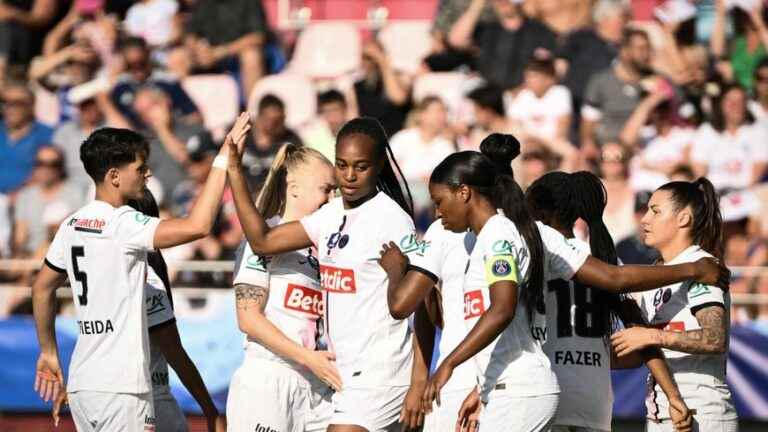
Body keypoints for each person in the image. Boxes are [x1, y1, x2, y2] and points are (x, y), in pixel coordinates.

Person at [378, 134, 727, 430]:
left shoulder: (512, 235)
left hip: (517, 387)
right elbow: (617, 283)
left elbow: (497, 311)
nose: (436, 211)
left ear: (467, 192)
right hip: (572, 396)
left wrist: (445, 365)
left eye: (440, 201)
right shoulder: (543, 239)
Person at [31, 114, 251, 431]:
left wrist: (49, 353)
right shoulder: (122, 223)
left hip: (83, 384)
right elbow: (199, 225)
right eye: (139, 168)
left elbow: (41, 288)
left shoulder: (72, 223)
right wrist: (222, 161)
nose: (147, 173)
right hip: (122, 390)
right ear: (114, 176)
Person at [226, 116, 418, 432]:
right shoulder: (324, 222)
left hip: (343, 378)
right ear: (294, 188)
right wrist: (234, 170)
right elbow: (248, 315)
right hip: (277, 377)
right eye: (329, 183)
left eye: (360, 167)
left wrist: (421, 377)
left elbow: (418, 292)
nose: (342, 185)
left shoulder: (386, 219)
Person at [525, 171, 692, 432]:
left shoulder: (536, 254)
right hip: (595, 404)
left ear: (541, 214)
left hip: (548, 398)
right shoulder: (604, 258)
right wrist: (673, 396)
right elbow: (641, 337)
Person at [611, 178, 738, 432]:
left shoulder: (703, 267)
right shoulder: (660, 273)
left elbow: (714, 339)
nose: (645, 219)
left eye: (655, 211)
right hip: (662, 413)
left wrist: (649, 335)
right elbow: (644, 353)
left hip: (702, 413)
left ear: (683, 219)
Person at [227, 143, 338, 432]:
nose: (333, 198)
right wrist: (308, 358)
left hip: (318, 385)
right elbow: (248, 318)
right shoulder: (263, 239)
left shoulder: (329, 246)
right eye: (326, 189)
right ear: (294, 187)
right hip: (269, 380)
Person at [448, 0, 557, 90]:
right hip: (488, 98)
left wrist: (522, 92)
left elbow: (549, 70)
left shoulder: (540, 32)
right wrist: (477, 5)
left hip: (523, 99)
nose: (502, 3)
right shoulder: (487, 29)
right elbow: (456, 40)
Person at [581, 29, 653, 158]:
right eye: (640, 49)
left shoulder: (658, 81)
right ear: (624, 51)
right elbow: (589, 118)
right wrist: (588, 143)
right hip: (607, 151)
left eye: (648, 48)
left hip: (646, 151)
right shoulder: (601, 81)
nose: (646, 54)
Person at [691, 83, 768, 192]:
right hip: (715, 192)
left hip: (749, 190)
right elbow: (699, 167)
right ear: (721, 104)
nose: (736, 105)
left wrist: (747, 191)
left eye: (741, 101)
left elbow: (760, 164)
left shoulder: (758, 130)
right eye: (731, 101)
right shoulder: (707, 131)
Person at [0, 81, 54, 193]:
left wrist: (20, 194)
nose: (10, 108)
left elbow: (48, 171)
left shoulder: (47, 135)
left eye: (18, 103)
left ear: (31, 105)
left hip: (27, 199)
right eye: (5, 102)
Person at [242, 94, 303, 188]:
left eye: (277, 120)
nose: (272, 125)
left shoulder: (291, 142)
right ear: (259, 116)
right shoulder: (241, 136)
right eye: (268, 119)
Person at [301, 89, 348, 162]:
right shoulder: (312, 139)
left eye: (335, 110)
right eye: (327, 111)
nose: (332, 117)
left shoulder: (360, 136)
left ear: (344, 109)